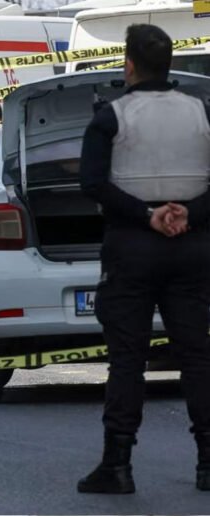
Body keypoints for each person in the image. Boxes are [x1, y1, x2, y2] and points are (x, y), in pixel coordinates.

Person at [78, 24, 210, 494]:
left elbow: (93, 184)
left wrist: (146, 215)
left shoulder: (111, 117)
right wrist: (189, 213)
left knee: (128, 359)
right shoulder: (201, 112)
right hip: (192, 245)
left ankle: (117, 465)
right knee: (198, 356)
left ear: (129, 64)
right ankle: (208, 463)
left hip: (131, 247)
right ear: (169, 63)